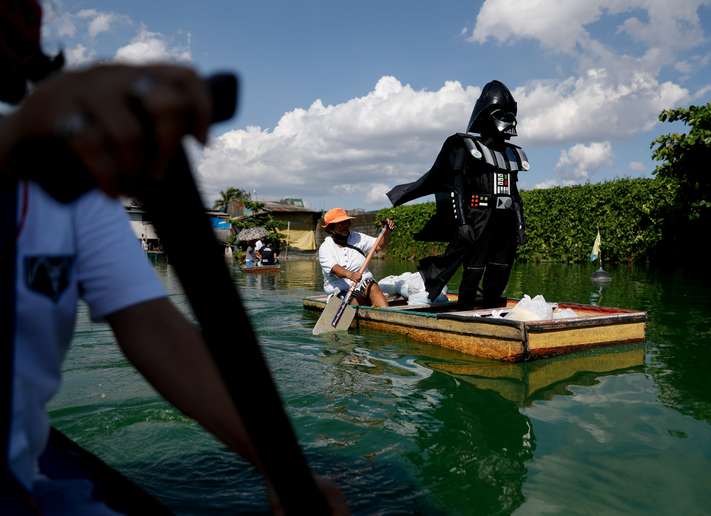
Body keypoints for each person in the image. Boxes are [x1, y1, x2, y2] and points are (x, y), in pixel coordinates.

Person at [0, 1, 347, 514]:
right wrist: (18, 141)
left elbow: (156, 327)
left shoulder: (71, 186)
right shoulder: (34, 141)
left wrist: (280, 466)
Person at [387, 80, 530, 309]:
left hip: (505, 220)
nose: (507, 120)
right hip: (478, 216)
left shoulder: (513, 154)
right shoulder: (465, 147)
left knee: (501, 266)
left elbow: (514, 195)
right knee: (474, 267)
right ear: (487, 115)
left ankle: (491, 306)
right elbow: (457, 189)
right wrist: (462, 222)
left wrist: (521, 226)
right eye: (501, 114)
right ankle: (465, 309)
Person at [318, 208, 395, 307]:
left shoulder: (357, 237)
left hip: (363, 283)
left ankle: (386, 314)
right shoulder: (326, 247)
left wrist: (387, 232)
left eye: (346, 222)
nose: (345, 226)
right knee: (355, 300)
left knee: (372, 286)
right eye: (340, 224)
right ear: (331, 228)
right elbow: (335, 269)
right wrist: (350, 275)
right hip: (341, 288)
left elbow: (379, 246)